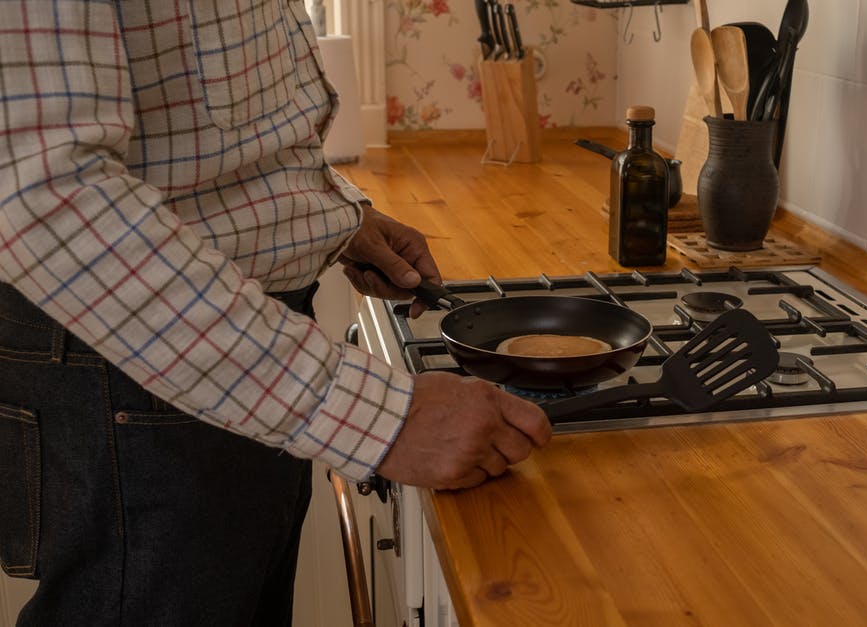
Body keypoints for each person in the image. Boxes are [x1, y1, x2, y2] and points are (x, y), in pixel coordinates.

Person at [0, 1, 551, 624]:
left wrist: (329, 218)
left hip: (233, 354)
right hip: (133, 374)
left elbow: (204, 134)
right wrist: (382, 416)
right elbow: (42, 193)